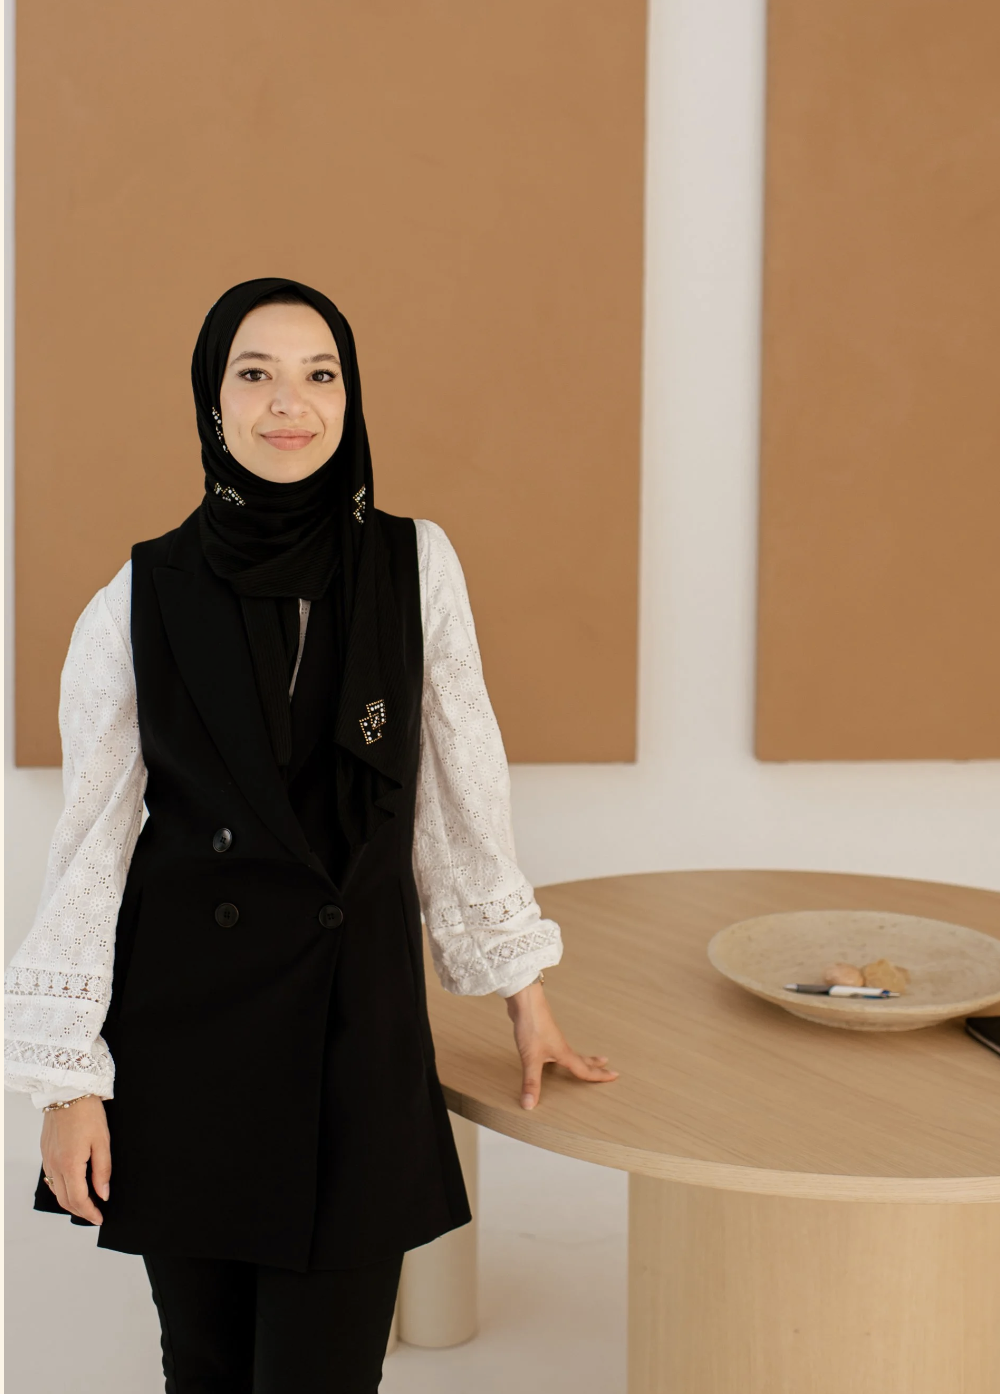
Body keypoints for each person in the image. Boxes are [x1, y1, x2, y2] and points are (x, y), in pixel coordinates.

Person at [4, 277, 618, 1393]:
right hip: (184, 1041)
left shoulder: (414, 564)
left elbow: (460, 789)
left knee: (325, 1377)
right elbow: (88, 849)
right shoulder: (135, 598)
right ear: (212, 402)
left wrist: (523, 991)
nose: (291, 403)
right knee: (204, 1366)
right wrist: (63, 1080)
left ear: (349, 396)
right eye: (256, 374)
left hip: (356, 1035)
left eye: (318, 373)